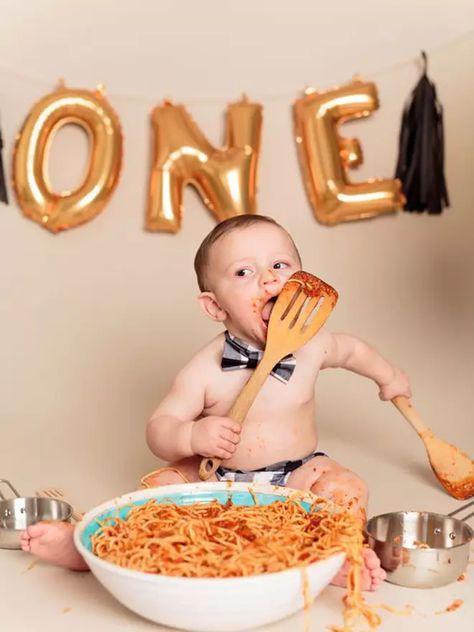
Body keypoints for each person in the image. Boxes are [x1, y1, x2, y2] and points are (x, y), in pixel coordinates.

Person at [21, 214, 411, 589]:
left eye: (280, 264)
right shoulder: (205, 369)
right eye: (244, 272)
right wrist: (191, 437)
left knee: (346, 487)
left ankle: (337, 556)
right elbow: (160, 427)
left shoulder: (313, 346)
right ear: (215, 307)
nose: (269, 277)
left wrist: (388, 376)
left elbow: (353, 351)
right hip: (217, 479)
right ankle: (87, 546)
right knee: (156, 490)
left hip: (297, 475)